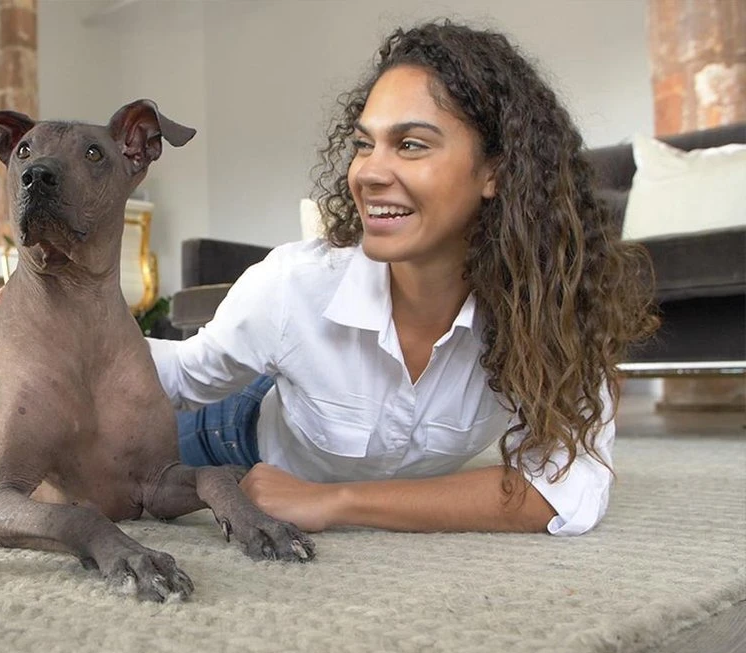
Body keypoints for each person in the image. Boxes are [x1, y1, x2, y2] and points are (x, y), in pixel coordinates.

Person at [146, 20, 658, 536]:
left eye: (411, 145)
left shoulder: (549, 303)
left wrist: (334, 501)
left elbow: (568, 489)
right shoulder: (294, 284)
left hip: (298, 477)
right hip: (226, 431)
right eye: (364, 144)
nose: (368, 173)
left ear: (495, 172)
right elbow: (182, 377)